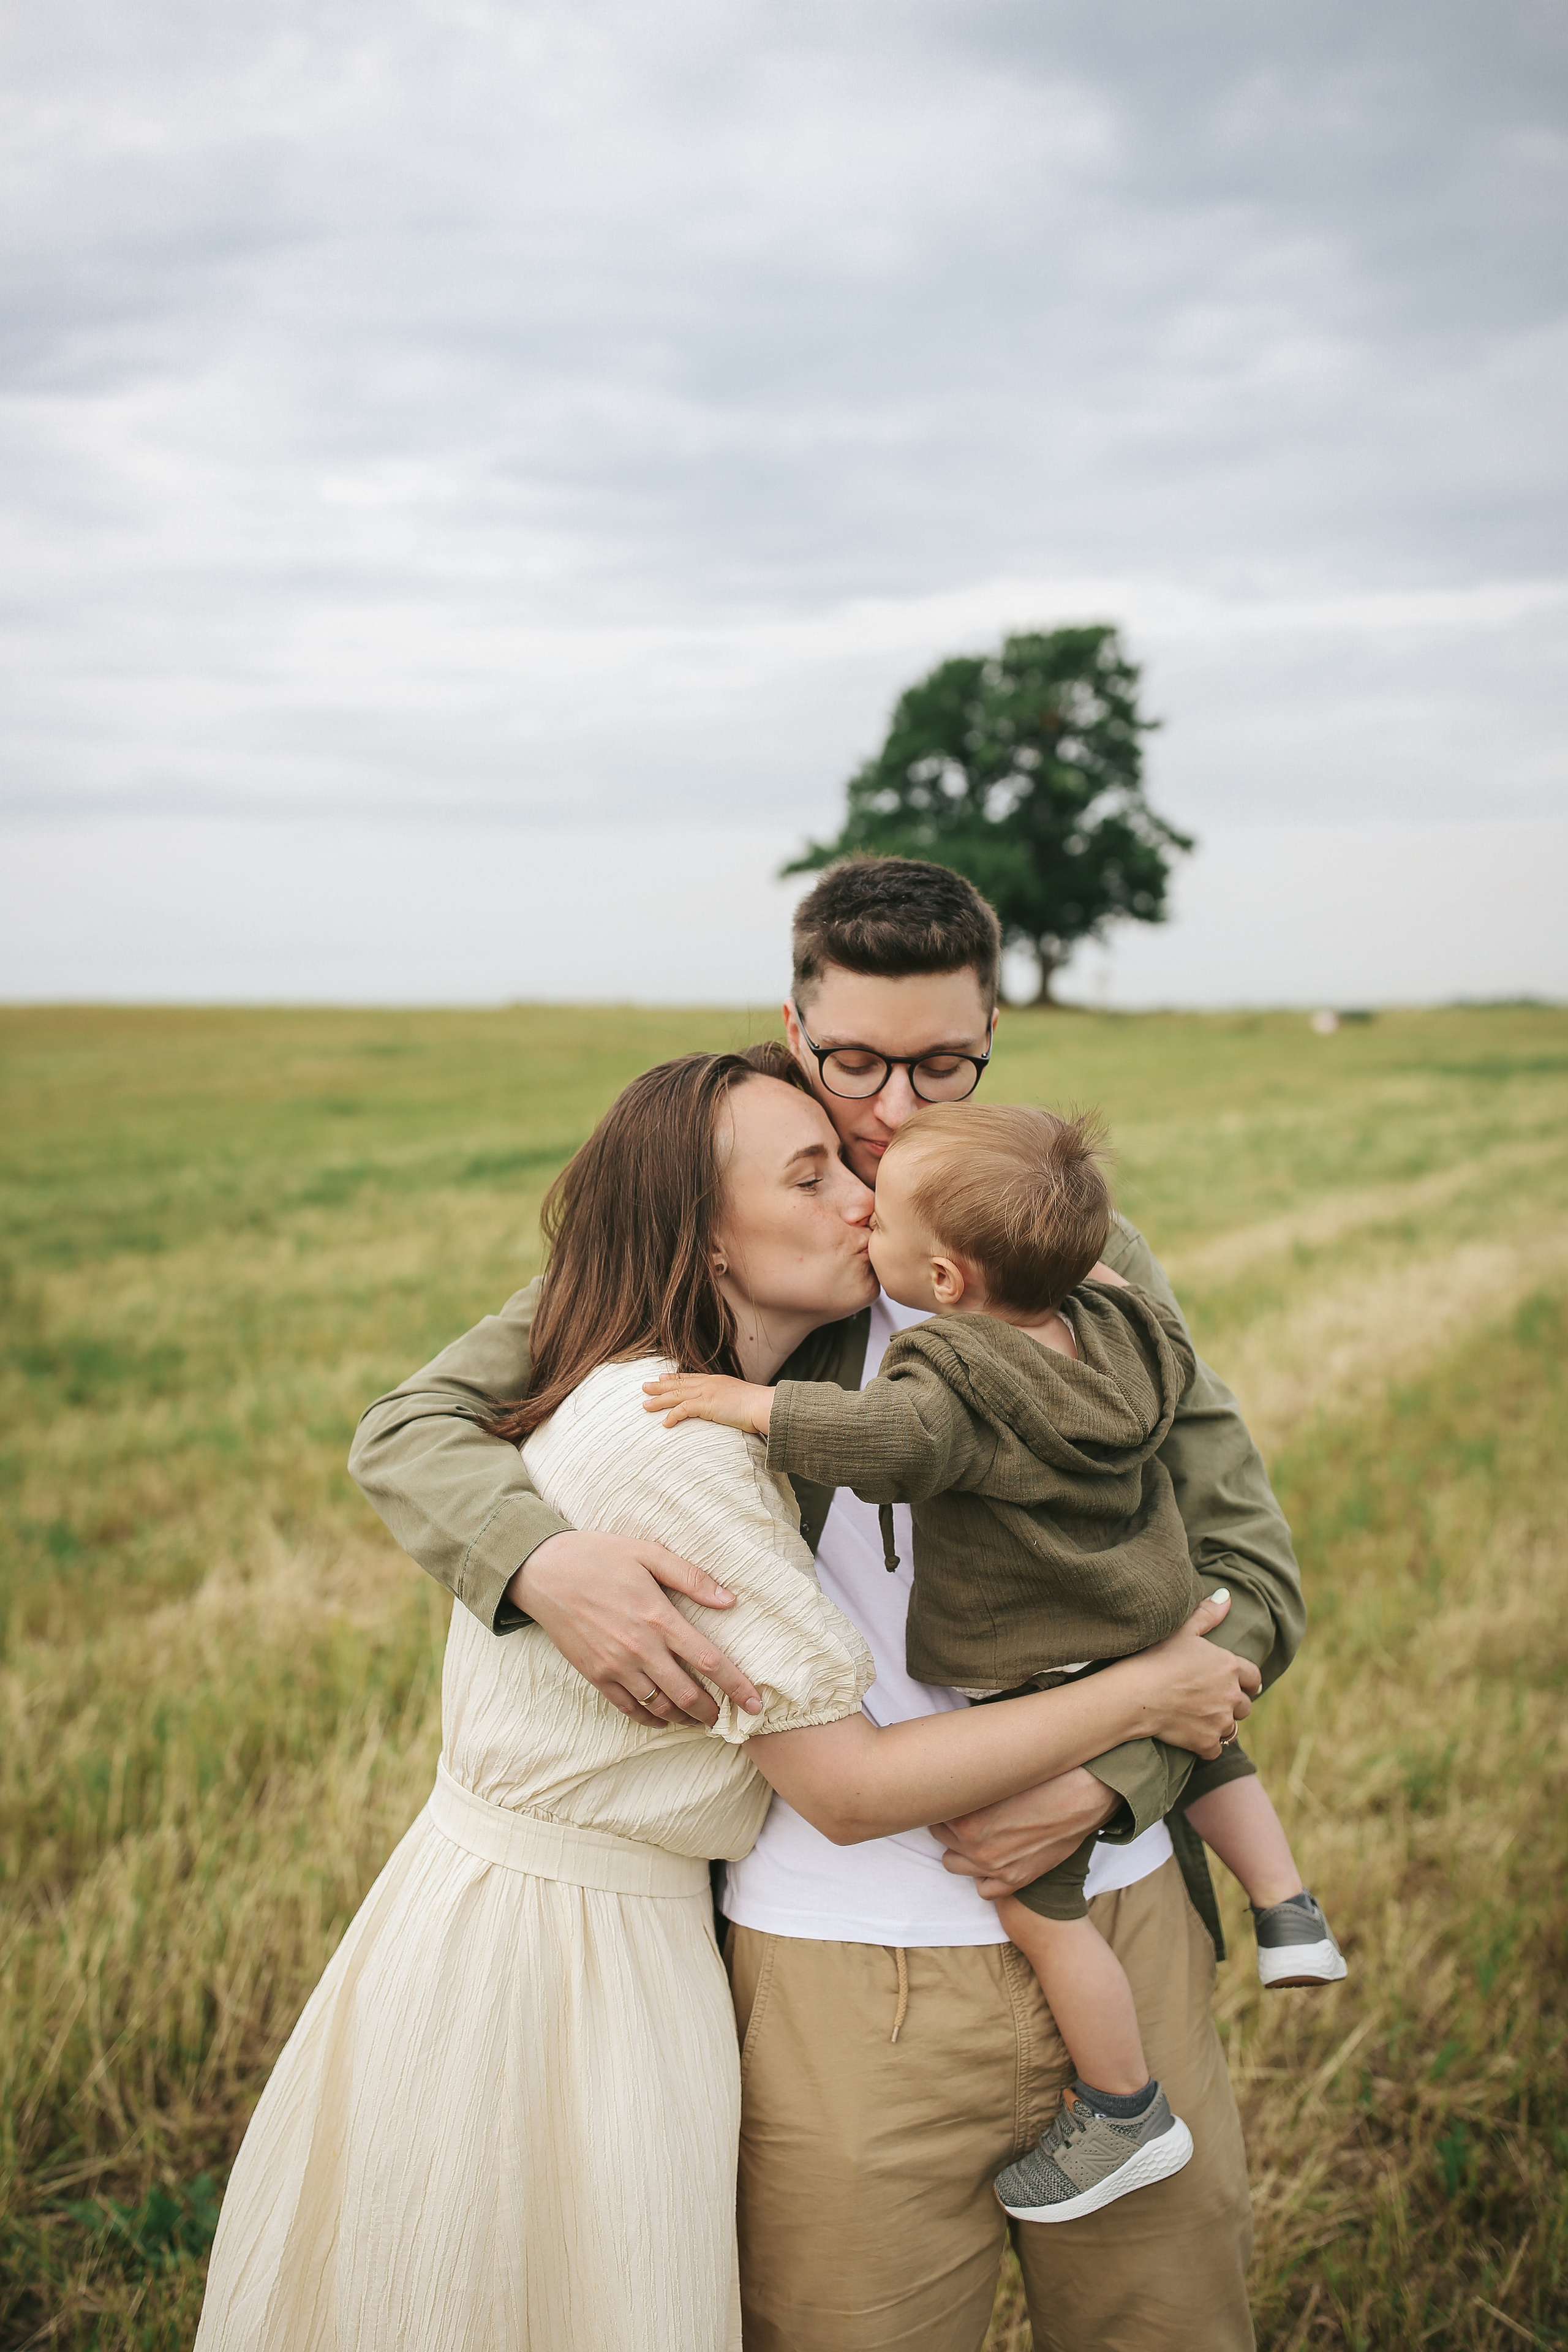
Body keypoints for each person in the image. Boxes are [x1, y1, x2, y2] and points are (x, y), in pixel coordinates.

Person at [349, 856, 1306, 2352]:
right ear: (793, 1031)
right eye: (855, 1063)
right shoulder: (730, 1249)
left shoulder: (1085, 1267)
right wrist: (540, 1563)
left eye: (943, 1065)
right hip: (827, 1968)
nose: (898, 1113)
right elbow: (407, 1428)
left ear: (993, 1033)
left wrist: (1112, 1781)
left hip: (1117, 1924)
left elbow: (1249, 1575)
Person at [644, 1096, 1347, 2230]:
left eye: (888, 1233)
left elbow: (888, 1441)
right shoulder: (1120, 1328)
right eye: (858, 1066)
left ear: (948, 1280)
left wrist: (747, 1405)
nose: (864, 1212)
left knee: (1038, 1902)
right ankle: (1289, 1903)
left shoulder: (955, 1369)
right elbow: (1143, 1320)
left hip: (1034, 1667)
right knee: (1205, 1738)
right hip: (1141, 1615)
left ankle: (1122, 2108)